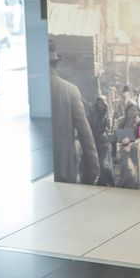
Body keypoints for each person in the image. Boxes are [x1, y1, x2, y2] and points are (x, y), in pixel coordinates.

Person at [49, 39, 100, 184]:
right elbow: (84, 132)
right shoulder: (70, 90)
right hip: (63, 168)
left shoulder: (32, 89)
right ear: (56, 64)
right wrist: (93, 168)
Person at [115, 100, 140, 190]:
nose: (134, 112)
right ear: (127, 110)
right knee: (129, 172)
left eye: (135, 110)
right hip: (125, 149)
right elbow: (117, 134)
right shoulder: (122, 121)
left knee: (138, 174)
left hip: (137, 149)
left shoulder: (139, 121)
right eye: (132, 110)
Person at [86, 95, 115, 186]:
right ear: (97, 103)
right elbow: (87, 127)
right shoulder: (92, 112)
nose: (101, 106)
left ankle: (105, 183)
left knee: (104, 165)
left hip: (103, 142)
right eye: (99, 104)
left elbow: (109, 128)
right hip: (94, 141)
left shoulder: (106, 113)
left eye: (103, 104)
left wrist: (108, 112)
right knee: (92, 165)